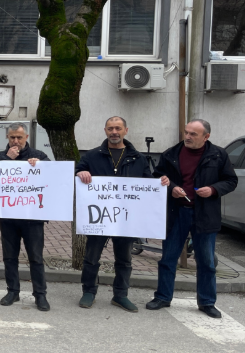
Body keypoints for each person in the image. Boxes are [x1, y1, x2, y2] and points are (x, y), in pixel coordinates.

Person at [147, 119, 239, 319]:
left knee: (206, 261)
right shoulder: (171, 153)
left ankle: (207, 302)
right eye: (186, 132)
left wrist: (213, 189)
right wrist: (171, 188)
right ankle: (162, 297)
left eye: (193, 134)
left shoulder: (218, 155)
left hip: (205, 214)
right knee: (168, 258)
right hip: (176, 212)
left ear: (206, 137)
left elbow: (231, 180)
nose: (187, 137)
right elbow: (158, 177)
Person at [75, 116, 153, 312]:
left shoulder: (138, 158)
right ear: (105, 131)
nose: (114, 132)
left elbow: (148, 184)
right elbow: (78, 170)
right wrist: (80, 173)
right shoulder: (92, 156)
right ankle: (88, 292)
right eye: (110, 128)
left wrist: (161, 184)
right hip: (99, 217)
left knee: (125, 260)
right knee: (91, 257)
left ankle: (120, 295)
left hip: (126, 218)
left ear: (126, 130)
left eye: (118, 128)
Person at [0, 122, 51, 311]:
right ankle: (13, 291)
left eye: (19, 137)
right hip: (9, 217)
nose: (16, 141)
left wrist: (40, 165)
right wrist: (7, 160)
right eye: (12, 137)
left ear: (27, 137)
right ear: (7, 138)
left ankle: (40, 295)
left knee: (36, 257)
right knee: (10, 257)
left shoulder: (39, 155)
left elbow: (52, 177)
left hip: (32, 218)